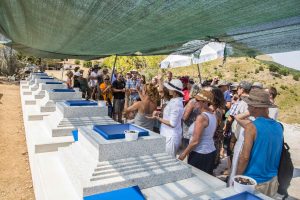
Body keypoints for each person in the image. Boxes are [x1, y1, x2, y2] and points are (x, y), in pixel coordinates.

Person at [237, 89, 283, 198]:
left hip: (253, 182)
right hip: (272, 180)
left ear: (254, 106)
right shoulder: (278, 126)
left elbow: (244, 157)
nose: (247, 107)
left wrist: (237, 177)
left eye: (249, 104)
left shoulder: (251, 127)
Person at [179, 90, 217, 175]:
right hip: (209, 152)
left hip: (200, 154)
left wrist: (184, 154)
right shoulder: (212, 115)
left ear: (205, 102)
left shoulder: (202, 117)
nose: (194, 102)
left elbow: (195, 141)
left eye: (197, 100)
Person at [151, 79, 184, 157]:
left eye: (170, 88)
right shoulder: (174, 100)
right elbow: (170, 115)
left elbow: (172, 123)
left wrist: (157, 118)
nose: (168, 89)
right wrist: (160, 113)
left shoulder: (176, 104)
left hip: (171, 137)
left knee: (169, 159)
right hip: (167, 134)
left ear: (175, 91)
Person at [182, 84, 201, 149]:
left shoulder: (192, 102)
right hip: (196, 129)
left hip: (187, 131)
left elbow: (185, 117)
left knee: (187, 150)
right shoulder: (201, 102)